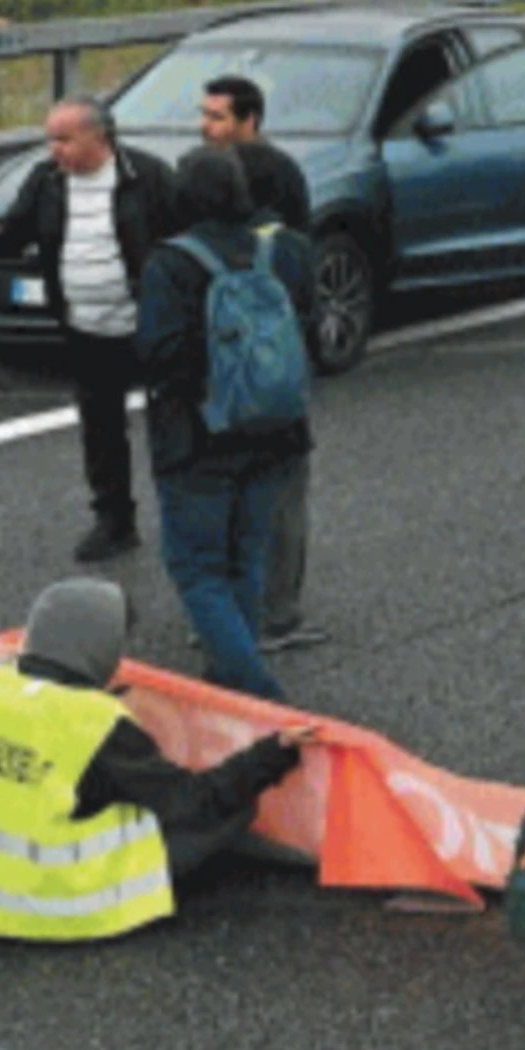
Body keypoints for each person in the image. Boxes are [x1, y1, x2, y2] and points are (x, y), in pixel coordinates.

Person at [0, 577, 314, 957]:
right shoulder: (96, 724)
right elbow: (194, 802)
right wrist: (272, 753)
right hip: (62, 907)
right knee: (217, 810)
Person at [0, 98, 177, 563]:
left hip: (148, 325)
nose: (55, 150)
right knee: (101, 428)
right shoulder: (47, 182)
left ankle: (185, 518)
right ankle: (114, 521)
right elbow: (16, 232)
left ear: (100, 138)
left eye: (65, 139)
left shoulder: (148, 177)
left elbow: (180, 238)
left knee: (172, 424)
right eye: (50, 139)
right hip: (85, 327)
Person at [137, 148, 318, 702]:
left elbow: (160, 353)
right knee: (247, 554)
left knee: (197, 569)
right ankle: (231, 676)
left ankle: (259, 692)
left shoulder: (170, 263)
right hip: (278, 430)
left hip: (199, 438)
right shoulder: (287, 249)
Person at [198, 75, 325, 653]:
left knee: (231, 496)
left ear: (249, 120)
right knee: (276, 498)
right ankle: (277, 617)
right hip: (272, 383)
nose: (207, 127)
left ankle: (230, 614)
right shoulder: (284, 235)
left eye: (218, 117)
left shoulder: (201, 235)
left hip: (221, 385)